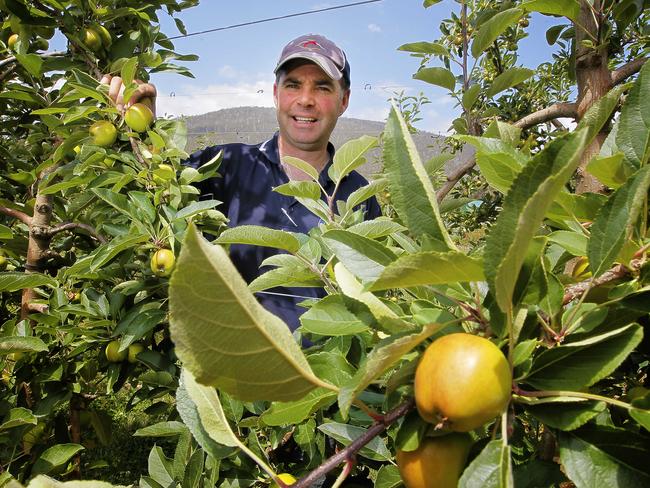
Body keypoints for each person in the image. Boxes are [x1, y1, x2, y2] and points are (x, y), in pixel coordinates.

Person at [104, 34, 382, 332]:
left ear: (344, 100)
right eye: (293, 85)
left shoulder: (360, 198)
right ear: (276, 93)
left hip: (327, 374)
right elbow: (158, 186)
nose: (305, 100)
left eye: (322, 87)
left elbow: (373, 300)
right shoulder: (225, 166)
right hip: (232, 369)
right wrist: (143, 128)